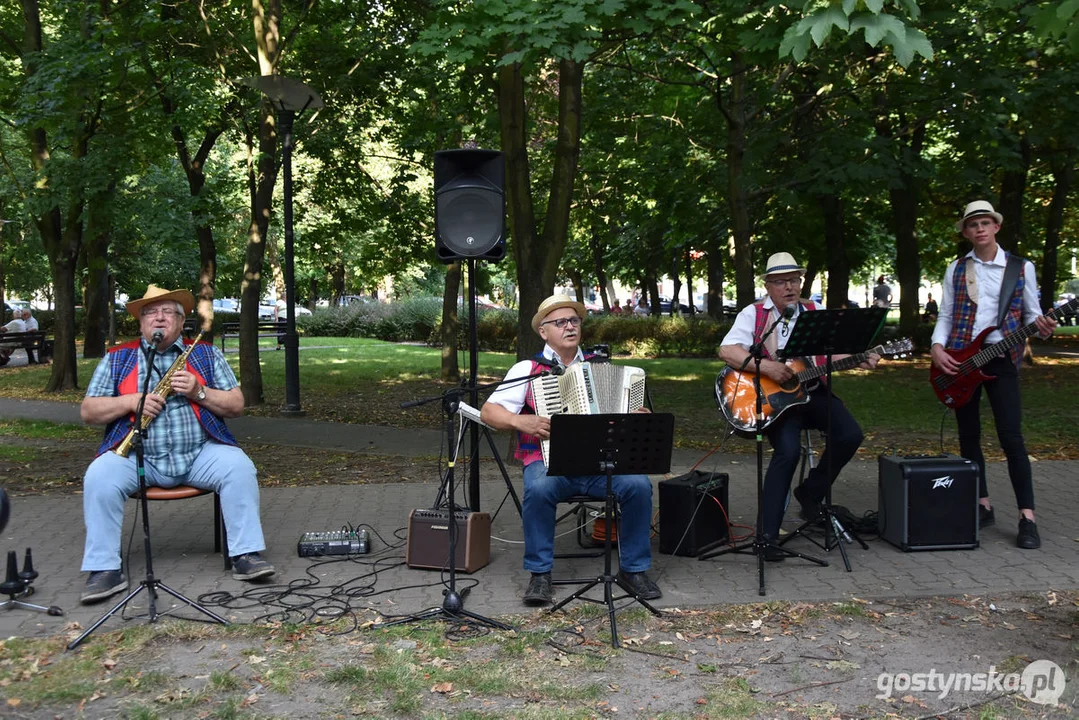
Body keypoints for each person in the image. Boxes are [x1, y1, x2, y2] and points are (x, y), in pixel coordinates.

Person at [79, 285, 275, 604]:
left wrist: (200, 391)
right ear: (141, 323)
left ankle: (246, 555)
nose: (158, 317)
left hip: (199, 453)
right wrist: (131, 401)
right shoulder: (117, 358)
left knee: (239, 468)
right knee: (99, 477)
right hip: (137, 455)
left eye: (168, 311)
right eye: (150, 312)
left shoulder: (205, 354)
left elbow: (237, 404)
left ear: (181, 321)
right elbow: (89, 411)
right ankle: (104, 570)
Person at [480, 294, 661, 605]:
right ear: (543, 331)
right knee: (538, 487)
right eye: (560, 322)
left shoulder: (599, 366)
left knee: (638, 485)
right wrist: (522, 422)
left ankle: (633, 570)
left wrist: (635, 418)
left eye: (574, 320)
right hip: (549, 462)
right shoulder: (528, 368)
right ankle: (540, 575)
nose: (569, 327)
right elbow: (488, 412)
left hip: (600, 464)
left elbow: (619, 417)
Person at [719, 252, 879, 560]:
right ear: (768, 286)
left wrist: (860, 356)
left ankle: (810, 492)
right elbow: (727, 351)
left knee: (849, 434)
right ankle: (766, 537)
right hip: (776, 401)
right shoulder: (753, 314)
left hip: (813, 392)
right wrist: (767, 368)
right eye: (780, 282)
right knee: (787, 452)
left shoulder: (814, 310)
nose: (789, 287)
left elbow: (827, 357)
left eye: (794, 280)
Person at [931, 201, 1056, 550]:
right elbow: (946, 314)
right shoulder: (956, 269)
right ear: (967, 232)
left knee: (1011, 438)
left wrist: (1045, 328)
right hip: (961, 360)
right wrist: (938, 348)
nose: (980, 229)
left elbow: (1034, 317)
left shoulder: (1020, 268)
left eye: (986, 223)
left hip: (1001, 360)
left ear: (996, 227)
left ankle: (1027, 516)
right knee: (969, 437)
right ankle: (982, 504)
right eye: (973, 225)